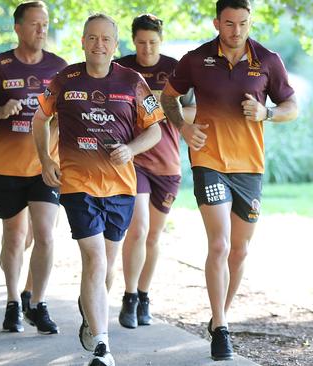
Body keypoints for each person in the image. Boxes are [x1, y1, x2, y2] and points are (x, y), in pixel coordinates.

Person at [160, 0, 298, 360]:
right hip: (209, 160)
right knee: (219, 246)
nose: (236, 31)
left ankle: (218, 314)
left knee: (239, 251)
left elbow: (291, 107)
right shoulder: (196, 59)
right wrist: (184, 128)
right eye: (229, 23)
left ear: (250, 22)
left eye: (243, 23)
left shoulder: (268, 60)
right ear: (217, 22)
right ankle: (221, 327)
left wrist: (266, 112)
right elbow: (167, 97)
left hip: (249, 167)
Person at [33, 14, 163, 366]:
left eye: (106, 38)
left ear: (115, 44)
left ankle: (91, 313)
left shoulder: (133, 81)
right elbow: (39, 118)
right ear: (83, 42)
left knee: (107, 268)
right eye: (92, 38)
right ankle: (103, 347)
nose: (99, 44)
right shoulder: (64, 79)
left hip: (121, 186)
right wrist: (45, 159)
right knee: (94, 258)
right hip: (77, 183)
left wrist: (131, 149)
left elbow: (156, 130)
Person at [0, 1, 67, 335]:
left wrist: (48, 139)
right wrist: (0, 111)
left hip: (45, 167)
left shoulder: (60, 68)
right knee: (14, 238)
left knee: (44, 235)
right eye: (34, 24)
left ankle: (38, 303)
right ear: (17, 28)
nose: (41, 30)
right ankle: (13, 301)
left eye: (44, 24)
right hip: (5, 167)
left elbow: (67, 115)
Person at [113, 14, 196, 329]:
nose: (147, 49)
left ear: (160, 41)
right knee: (138, 228)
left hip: (168, 163)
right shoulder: (121, 69)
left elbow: (193, 110)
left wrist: (162, 108)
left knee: (153, 235)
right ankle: (130, 296)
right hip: (134, 161)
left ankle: (144, 295)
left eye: (153, 43)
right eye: (141, 42)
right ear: (133, 41)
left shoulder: (176, 69)